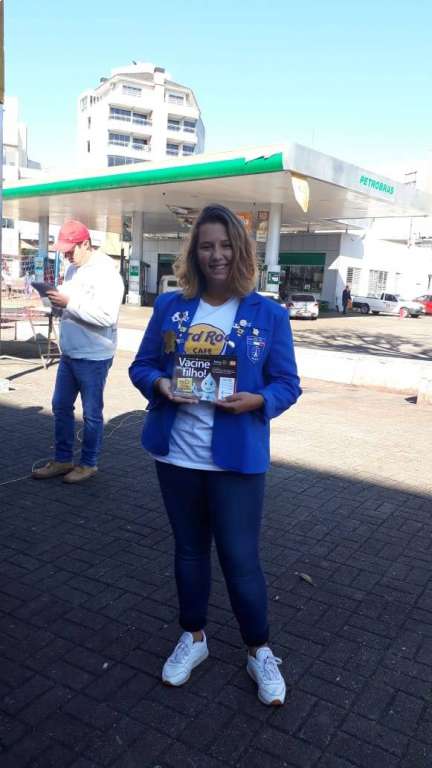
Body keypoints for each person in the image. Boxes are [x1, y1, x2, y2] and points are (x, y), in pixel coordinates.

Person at [129, 204, 301, 706]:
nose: (216, 255)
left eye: (226, 245)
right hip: (177, 455)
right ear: (194, 252)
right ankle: (194, 637)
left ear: (241, 251)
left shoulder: (268, 314)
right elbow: (142, 366)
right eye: (206, 246)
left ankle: (259, 649)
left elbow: (288, 383)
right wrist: (161, 384)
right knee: (188, 551)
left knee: (240, 559)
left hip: (236, 459)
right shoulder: (171, 307)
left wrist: (259, 401)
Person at [32, 220, 124, 484]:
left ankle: (88, 463)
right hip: (70, 353)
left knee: (92, 414)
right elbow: (69, 307)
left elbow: (107, 316)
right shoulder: (73, 269)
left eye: (70, 250)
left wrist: (69, 302)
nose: (67, 256)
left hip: (94, 355)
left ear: (85, 244)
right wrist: (53, 302)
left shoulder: (107, 273)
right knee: (60, 406)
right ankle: (63, 459)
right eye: (63, 251)